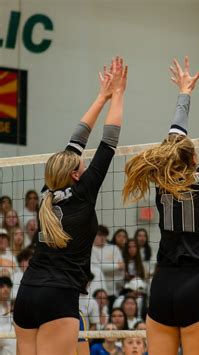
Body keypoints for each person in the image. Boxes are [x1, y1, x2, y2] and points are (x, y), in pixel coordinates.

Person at [122, 56, 199, 355]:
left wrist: (184, 92)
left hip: (162, 284)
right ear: (194, 160)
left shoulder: (162, 178)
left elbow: (175, 138)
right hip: (196, 285)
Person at [13, 57, 127, 355]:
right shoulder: (83, 191)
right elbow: (109, 140)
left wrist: (102, 96)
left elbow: (78, 140)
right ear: (76, 175)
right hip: (58, 297)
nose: (85, 162)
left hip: (26, 294)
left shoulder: (46, 194)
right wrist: (119, 93)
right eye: (82, 164)